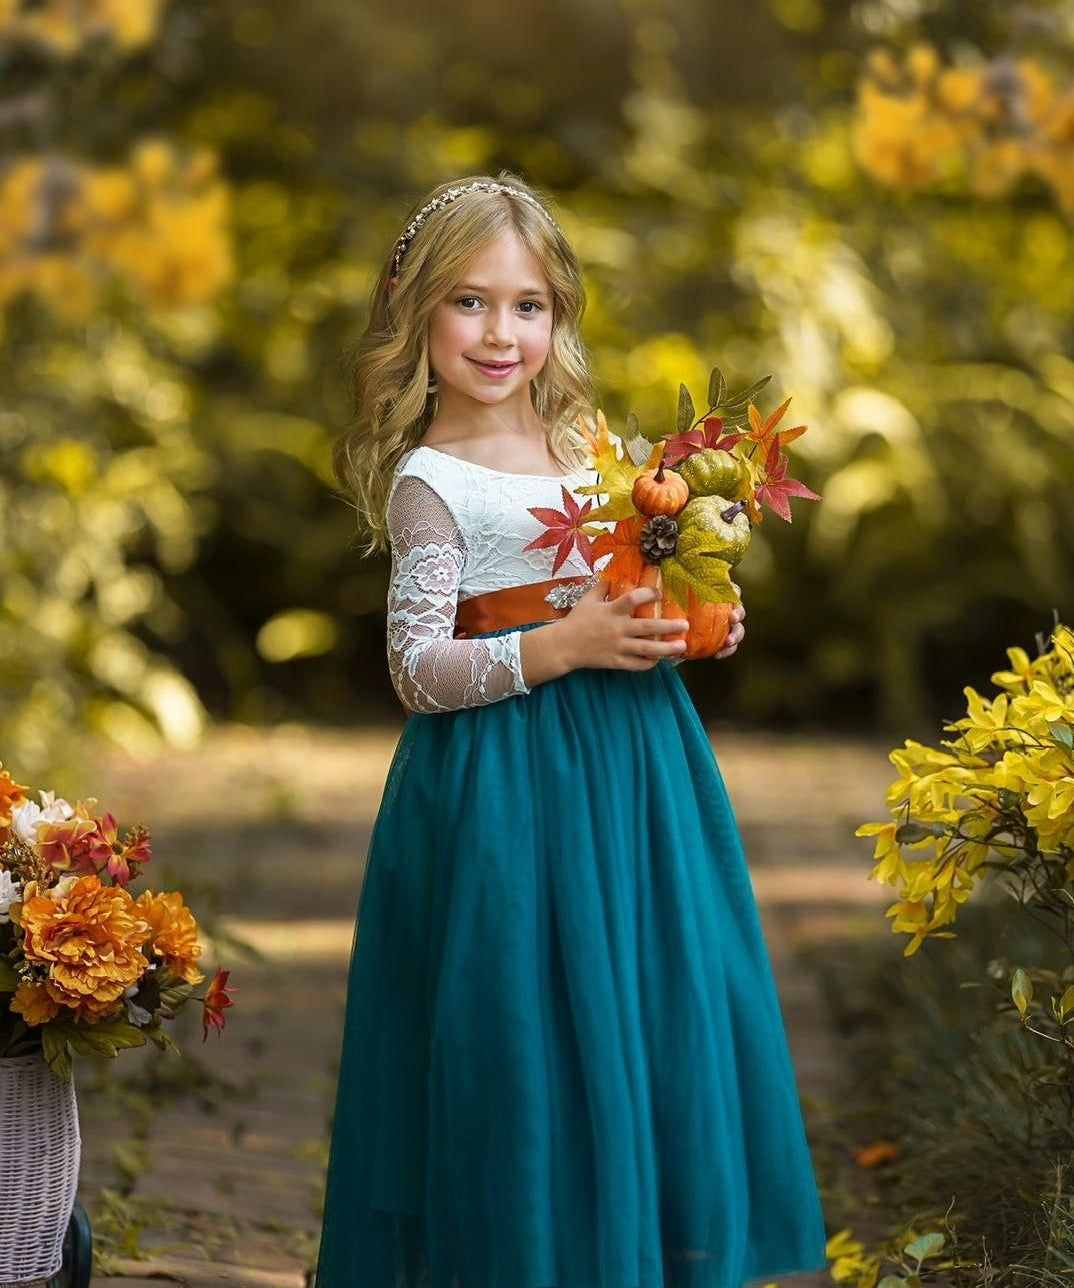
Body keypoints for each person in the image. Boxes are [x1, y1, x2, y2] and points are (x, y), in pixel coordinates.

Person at [313, 172, 829, 1288]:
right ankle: (529, 1252)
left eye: (529, 304)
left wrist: (694, 622)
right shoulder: (430, 481)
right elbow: (415, 668)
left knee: (645, 1007)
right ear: (417, 313)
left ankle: (633, 1248)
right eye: (471, 302)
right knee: (523, 1027)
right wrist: (561, 648)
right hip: (506, 786)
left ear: (559, 315)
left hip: (637, 775)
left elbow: (634, 581)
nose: (502, 332)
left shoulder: (595, 445)